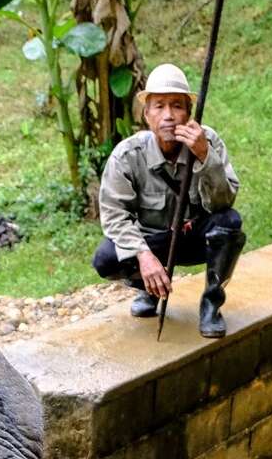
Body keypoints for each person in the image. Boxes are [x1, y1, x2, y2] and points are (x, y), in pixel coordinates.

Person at [91, 63, 245, 339]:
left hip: (195, 237)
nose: (168, 116)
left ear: (188, 113)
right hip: (155, 243)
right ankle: (148, 289)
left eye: (177, 106)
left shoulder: (207, 141)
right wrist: (144, 256)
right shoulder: (128, 155)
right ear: (147, 114)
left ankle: (211, 302)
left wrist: (204, 156)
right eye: (159, 106)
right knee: (107, 259)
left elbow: (224, 202)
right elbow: (114, 216)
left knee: (230, 223)